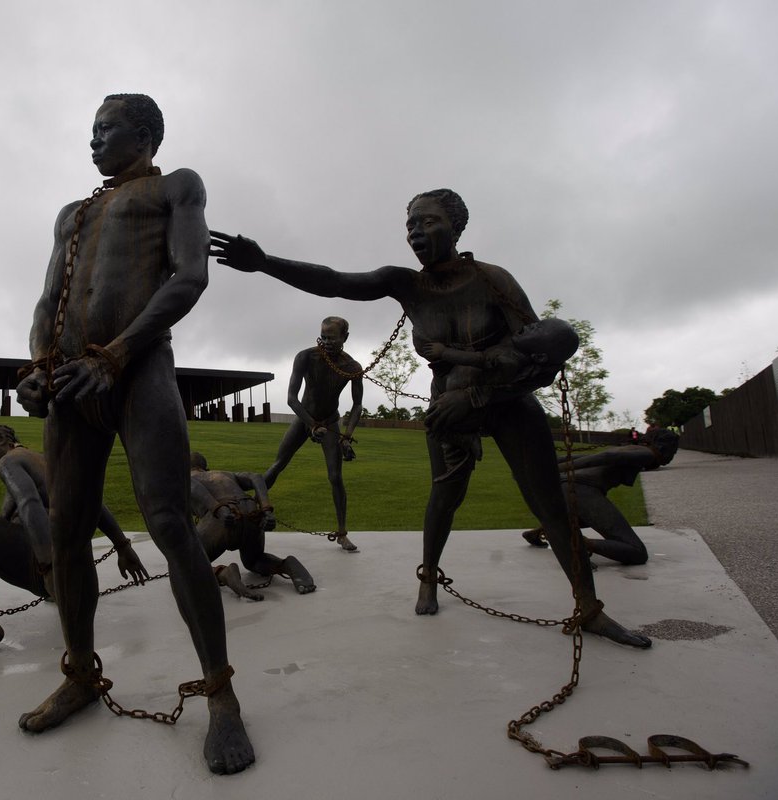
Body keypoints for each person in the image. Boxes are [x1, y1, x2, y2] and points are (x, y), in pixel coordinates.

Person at [210, 188, 650, 648]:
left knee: (551, 506)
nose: (416, 233)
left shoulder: (494, 280)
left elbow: (541, 355)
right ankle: (428, 576)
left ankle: (590, 606)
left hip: (505, 401)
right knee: (445, 497)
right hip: (447, 409)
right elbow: (334, 280)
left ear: (457, 227)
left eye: (428, 222)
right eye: (410, 226)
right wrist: (264, 262)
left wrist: (479, 395)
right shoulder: (406, 284)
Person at [15, 94, 255, 774]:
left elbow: (191, 274)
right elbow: (47, 297)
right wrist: (38, 366)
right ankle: (82, 673)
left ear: (144, 134)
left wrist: (115, 355)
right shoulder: (74, 211)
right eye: (89, 129)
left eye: (106, 129)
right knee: (66, 529)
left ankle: (221, 695)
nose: (92, 140)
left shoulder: (177, 186)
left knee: (171, 525)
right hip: (69, 383)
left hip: (138, 368)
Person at [0, 424, 148, 657]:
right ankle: (51, 586)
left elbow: (28, 503)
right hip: (77, 577)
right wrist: (123, 547)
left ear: (2, 438)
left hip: (47, 569)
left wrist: (49, 568)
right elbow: (95, 505)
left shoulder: (9, 462)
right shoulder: (47, 462)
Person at [419, 317, 579, 482]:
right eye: (536, 324)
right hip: (452, 388)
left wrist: (444, 352)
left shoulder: (508, 360)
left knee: (435, 425)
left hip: (464, 397)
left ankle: (465, 441)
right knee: (436, 424)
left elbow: (478, 359)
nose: (529, 326)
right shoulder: (509, 347)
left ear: (539, 357)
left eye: (536, 330)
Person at [264, 317, 364, 552]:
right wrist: (310, 425)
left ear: (345, 338)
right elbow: (291, 398)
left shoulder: (352, 367)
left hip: (330, 422)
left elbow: (357, 405)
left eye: (333, 337)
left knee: (335, 477)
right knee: (278, 464)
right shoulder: (306, 357)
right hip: (304, 417)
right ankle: (254, 507)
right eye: (324, 336)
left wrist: (346, 437)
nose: (327, 342)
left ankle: (342, 533)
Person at [523, 429, 680, 565]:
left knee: (587, 518)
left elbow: (585, 457)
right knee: (637, 552)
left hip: (568, 487)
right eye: (672, 451)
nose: (671, 456)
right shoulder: (647, 454)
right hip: (581, 489)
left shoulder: (631, 448)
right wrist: (558, 469)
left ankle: (540, 532)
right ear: (662, 445)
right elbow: (605, 457)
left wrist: (552, 465)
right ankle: (579, 543)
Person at [189, 451, 316, 599]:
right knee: (254, 560)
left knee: (186, 563)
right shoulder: (224, 474)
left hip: (223, 517)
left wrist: (217, 508)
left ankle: (223, 573)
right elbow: (256, 477)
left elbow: (192, 485)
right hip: (252, 513)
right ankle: (287, 565)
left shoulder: (186, 478)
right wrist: (265, 509)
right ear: (207, 468)